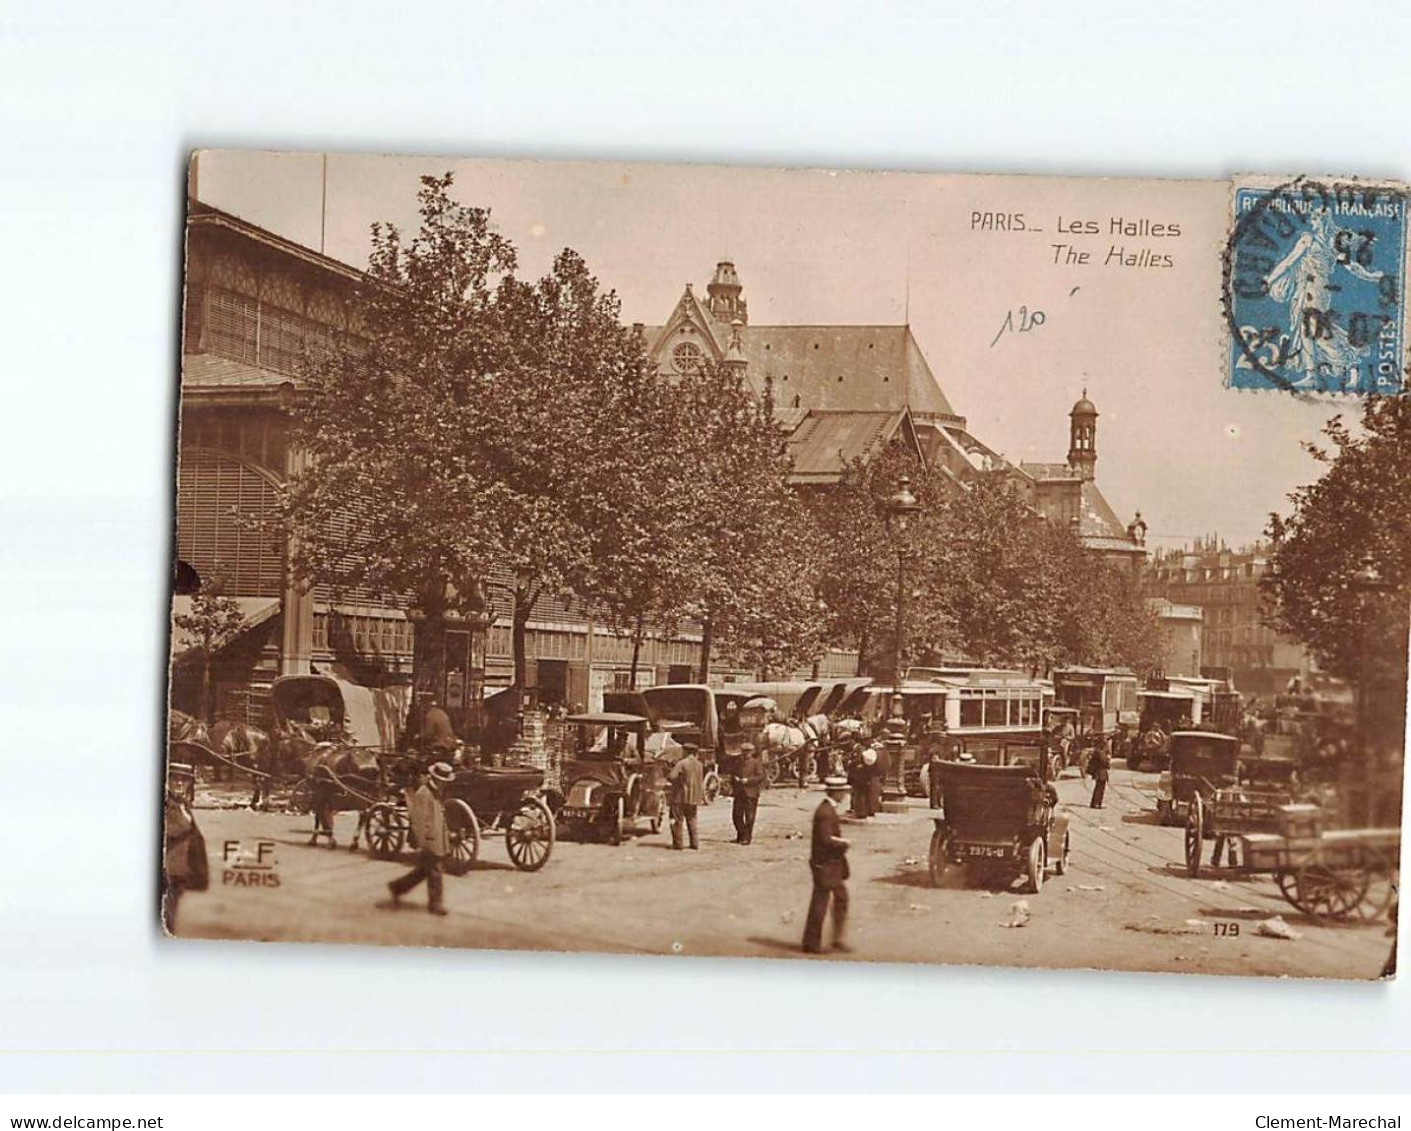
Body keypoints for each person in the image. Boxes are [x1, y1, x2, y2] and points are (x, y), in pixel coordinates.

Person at [387, 762, 453, 915]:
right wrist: (424, 841)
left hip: (437, 836)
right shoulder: (424, 793)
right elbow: (419, 820)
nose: (445, 783)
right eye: (443, 780)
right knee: (435, 870)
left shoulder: (437, 792)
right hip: (430, 839)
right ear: (436, 779)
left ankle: (397, 887)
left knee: (423, 870)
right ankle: (435, 905)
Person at [802, 776, 852, 954]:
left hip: (832, 865)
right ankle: (812, 943)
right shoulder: (825, 812)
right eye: (843, 791)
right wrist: (844, 842)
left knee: (841, 898)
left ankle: (836, 939)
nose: (845, 794)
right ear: (836, 792)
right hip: (824, 864)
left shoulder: (828, 809)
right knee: (820, 903)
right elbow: (825, 840)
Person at [161, 767, 205, 934]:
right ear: (167, 781)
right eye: (175, 779)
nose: (179, 783)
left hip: (181, 868)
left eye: (184, 780)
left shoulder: (183, 803)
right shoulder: (167, 804)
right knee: (166, 914)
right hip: (168, 868)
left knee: (174, 910)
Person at [668, 745, 706, 850]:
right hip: (694, 797)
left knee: (676, 820)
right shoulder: (699, 765)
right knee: (692, 819)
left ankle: (678, 844)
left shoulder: (682, 763)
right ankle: (694, 843)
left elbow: (672, 777)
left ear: (685, 751)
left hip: (680, 797)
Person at [732, 742, 765, 845]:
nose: (745, 754)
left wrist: (748, 781)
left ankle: (747, 838)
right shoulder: (738, 762)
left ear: (752, 752)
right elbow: (733, 774)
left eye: (748, 752)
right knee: (736, 816)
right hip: (739, 792)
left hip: (751, 793)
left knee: (749, 817)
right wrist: (735, 779)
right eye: (744, 752)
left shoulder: (756, 763)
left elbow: (760, 777)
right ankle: (741, 835)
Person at [1088, 741, 1111, 809]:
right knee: (1100, 788)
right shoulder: (1101, 753)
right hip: (1101, 772)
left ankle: (1094, 803)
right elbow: (1104, 762)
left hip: (1098, 772)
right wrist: (1108, 760)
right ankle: (1097, 803)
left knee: (1098, 788)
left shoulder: (1097, 752)